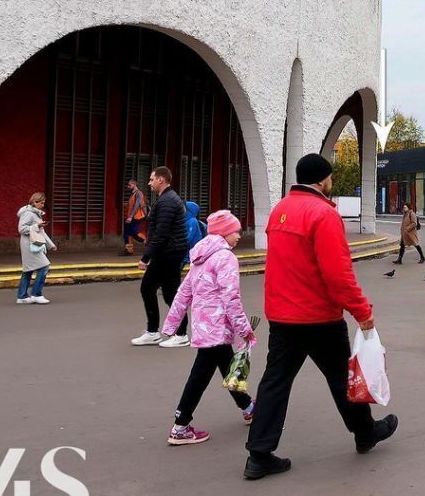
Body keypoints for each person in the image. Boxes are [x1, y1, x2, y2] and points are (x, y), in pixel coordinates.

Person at [244, 153, 398, 480]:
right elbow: (337, 274)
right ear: (322, 179)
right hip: (318, 317)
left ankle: (258, 454)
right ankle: (365, 432)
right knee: (342, 378)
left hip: (283, 316)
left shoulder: (280, 210)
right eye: (330, 177)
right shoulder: (323, 214)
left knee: (275, 382)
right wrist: (362, 312)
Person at [162, 210, 256, 446]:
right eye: (236, 231)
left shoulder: (201, 257)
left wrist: (171, 324)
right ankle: (180, 426)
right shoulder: (225, 257)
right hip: (217, 326)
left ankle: (248, 407)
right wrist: (244, 329)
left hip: (206, 326)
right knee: (200, 376)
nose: (239, 236)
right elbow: (231, 297)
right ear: (224, 232)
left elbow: (184, 293)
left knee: (228, 366)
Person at [131, 167, 191, 348]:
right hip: (169, 253)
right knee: (165, 293)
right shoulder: (168, 199)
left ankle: (174, 334)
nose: (149, 183)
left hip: (168, 254)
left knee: (156, 290)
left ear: (161, 180)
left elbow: (161, 233)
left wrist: (146, 257)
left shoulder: (167, 202)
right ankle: (158, 331)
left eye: (151, 179)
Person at [17, 192, 56, 304]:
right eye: (41, 203)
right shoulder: (28, 213)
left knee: (28, 270)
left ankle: (22, 296)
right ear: (35, 202)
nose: (43, 205)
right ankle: (36, 294)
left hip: (34, 244)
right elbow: (21, 229)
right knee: (44, 266)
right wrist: (36, 226)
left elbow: (41, 232)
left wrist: (51, 245)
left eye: (43, 203)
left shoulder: (36, 214)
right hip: (29, 245)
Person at [121, 179, 148, 256]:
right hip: (129, 217)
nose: (128, 187)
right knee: (127, 234)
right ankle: (129, 250)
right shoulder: (133, 194)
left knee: (134, 233)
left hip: (135, 217)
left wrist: (131, 216)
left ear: (134, 184)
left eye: (129, 185)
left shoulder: (139, 193)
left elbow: (136, 205)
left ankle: (148, 243)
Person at [183, 200, 206, 264]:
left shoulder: (192, 221)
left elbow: (189, 237)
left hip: (191, 250)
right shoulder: (186, 220)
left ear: (190, 210)